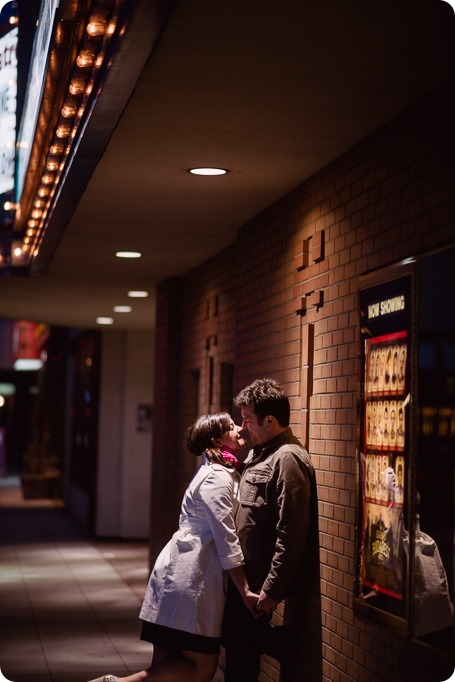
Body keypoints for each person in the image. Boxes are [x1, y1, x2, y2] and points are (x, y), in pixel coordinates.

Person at [88, 412, 259, 682]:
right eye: (231, 426)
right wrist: (246, 589)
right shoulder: (217, 477)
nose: (240, 428)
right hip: (190, 581)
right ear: (217, 440)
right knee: (202, 669)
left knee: (166, 668)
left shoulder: (217, 471)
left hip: (179, 577)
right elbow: (226, 539)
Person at [222, 378, 316, 682]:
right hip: (243, 583)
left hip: (258, 588)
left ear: (270, 420)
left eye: (248, 419)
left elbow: (291, 530)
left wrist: (271, 590)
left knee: (241, 667)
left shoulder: (287, 459)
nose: (244, 425)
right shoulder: (257, 453)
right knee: (237, 654)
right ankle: (278, 643)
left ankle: (281, 643)